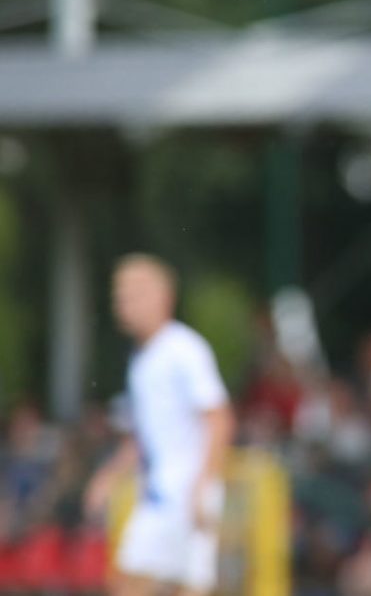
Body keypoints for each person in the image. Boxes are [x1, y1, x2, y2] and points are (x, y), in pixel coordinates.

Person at [84, 253, 235, 596]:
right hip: (162, 493)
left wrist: (204, 483)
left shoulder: (184, 349)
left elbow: (220, 417)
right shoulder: (141, 360)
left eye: (134, 295)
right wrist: (109, 476)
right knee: (155, 583)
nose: (124, 305)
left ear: (164, 297)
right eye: (121, 296)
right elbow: (143, 435)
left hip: (184, 491)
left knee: (142, 582)